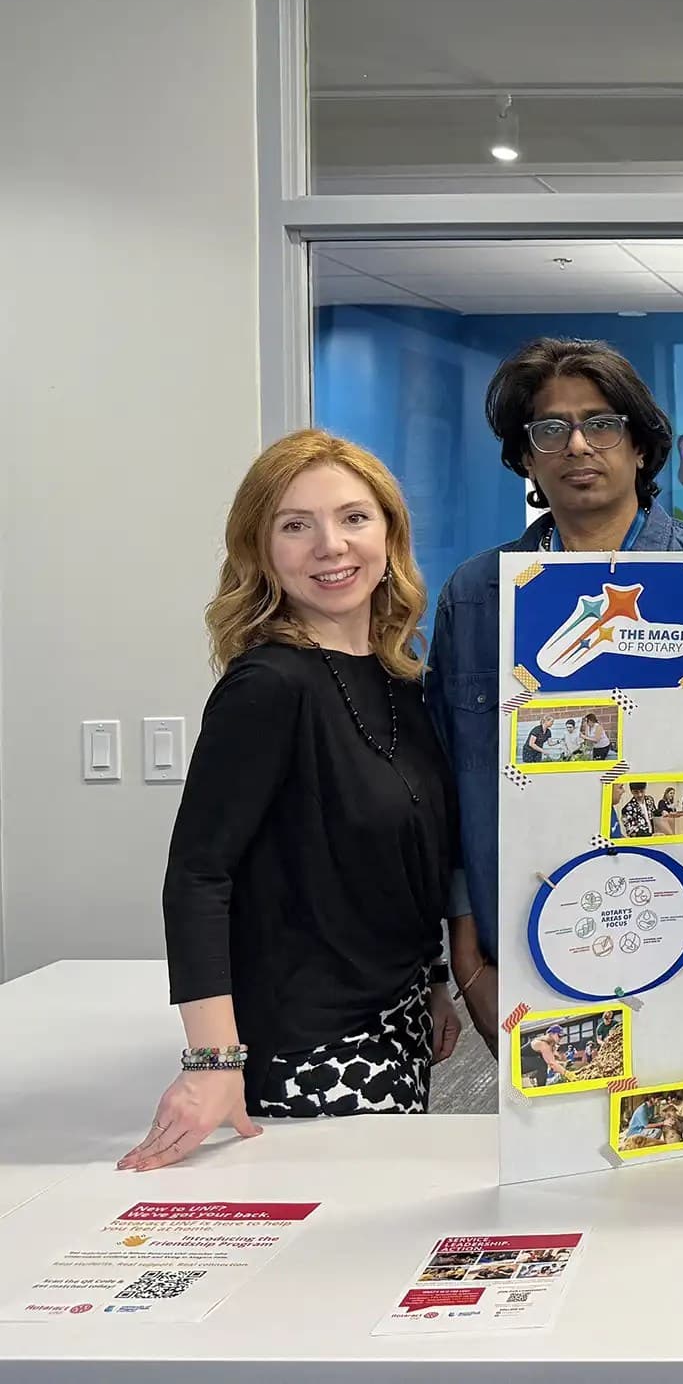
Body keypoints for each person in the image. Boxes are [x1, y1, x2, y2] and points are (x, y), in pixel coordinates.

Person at [123, 432, 465, 1173]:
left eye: (353, 518)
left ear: (389, 534)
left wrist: (433, 981)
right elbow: (197, 878)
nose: (330, 546)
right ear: (263, 549)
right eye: (295, 524)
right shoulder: (268, 687)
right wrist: (212, 1062)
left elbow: (413, 853)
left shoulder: (402, 680)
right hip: (310, 1045)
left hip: (394, 1020)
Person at [426, 338, 683, 1053]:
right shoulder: (478, 596)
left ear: (639, 446)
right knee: (551, 1152)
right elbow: (448, 785)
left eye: (602, 424)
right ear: (526, 458)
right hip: (529, 936)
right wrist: (466, 957)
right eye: (550, 429)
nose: (578, 445)